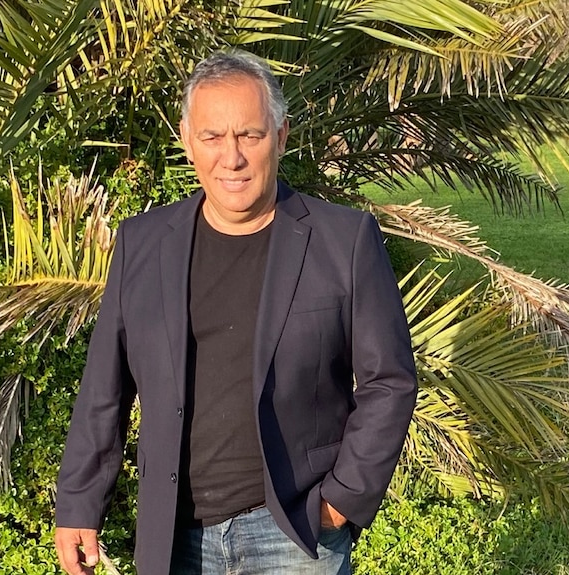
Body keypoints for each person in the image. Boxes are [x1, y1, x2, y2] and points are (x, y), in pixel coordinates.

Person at [54, 49, 418, 575]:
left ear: (282, 135)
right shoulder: (145, 242)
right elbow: (104, 387)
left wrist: (341, 500)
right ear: (187, 140)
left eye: (250, 135)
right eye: (213, 137)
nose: (233, 157)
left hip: (295, 533)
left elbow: (389, 380)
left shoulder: (344, 241)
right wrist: (79, 504)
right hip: (174, 534)